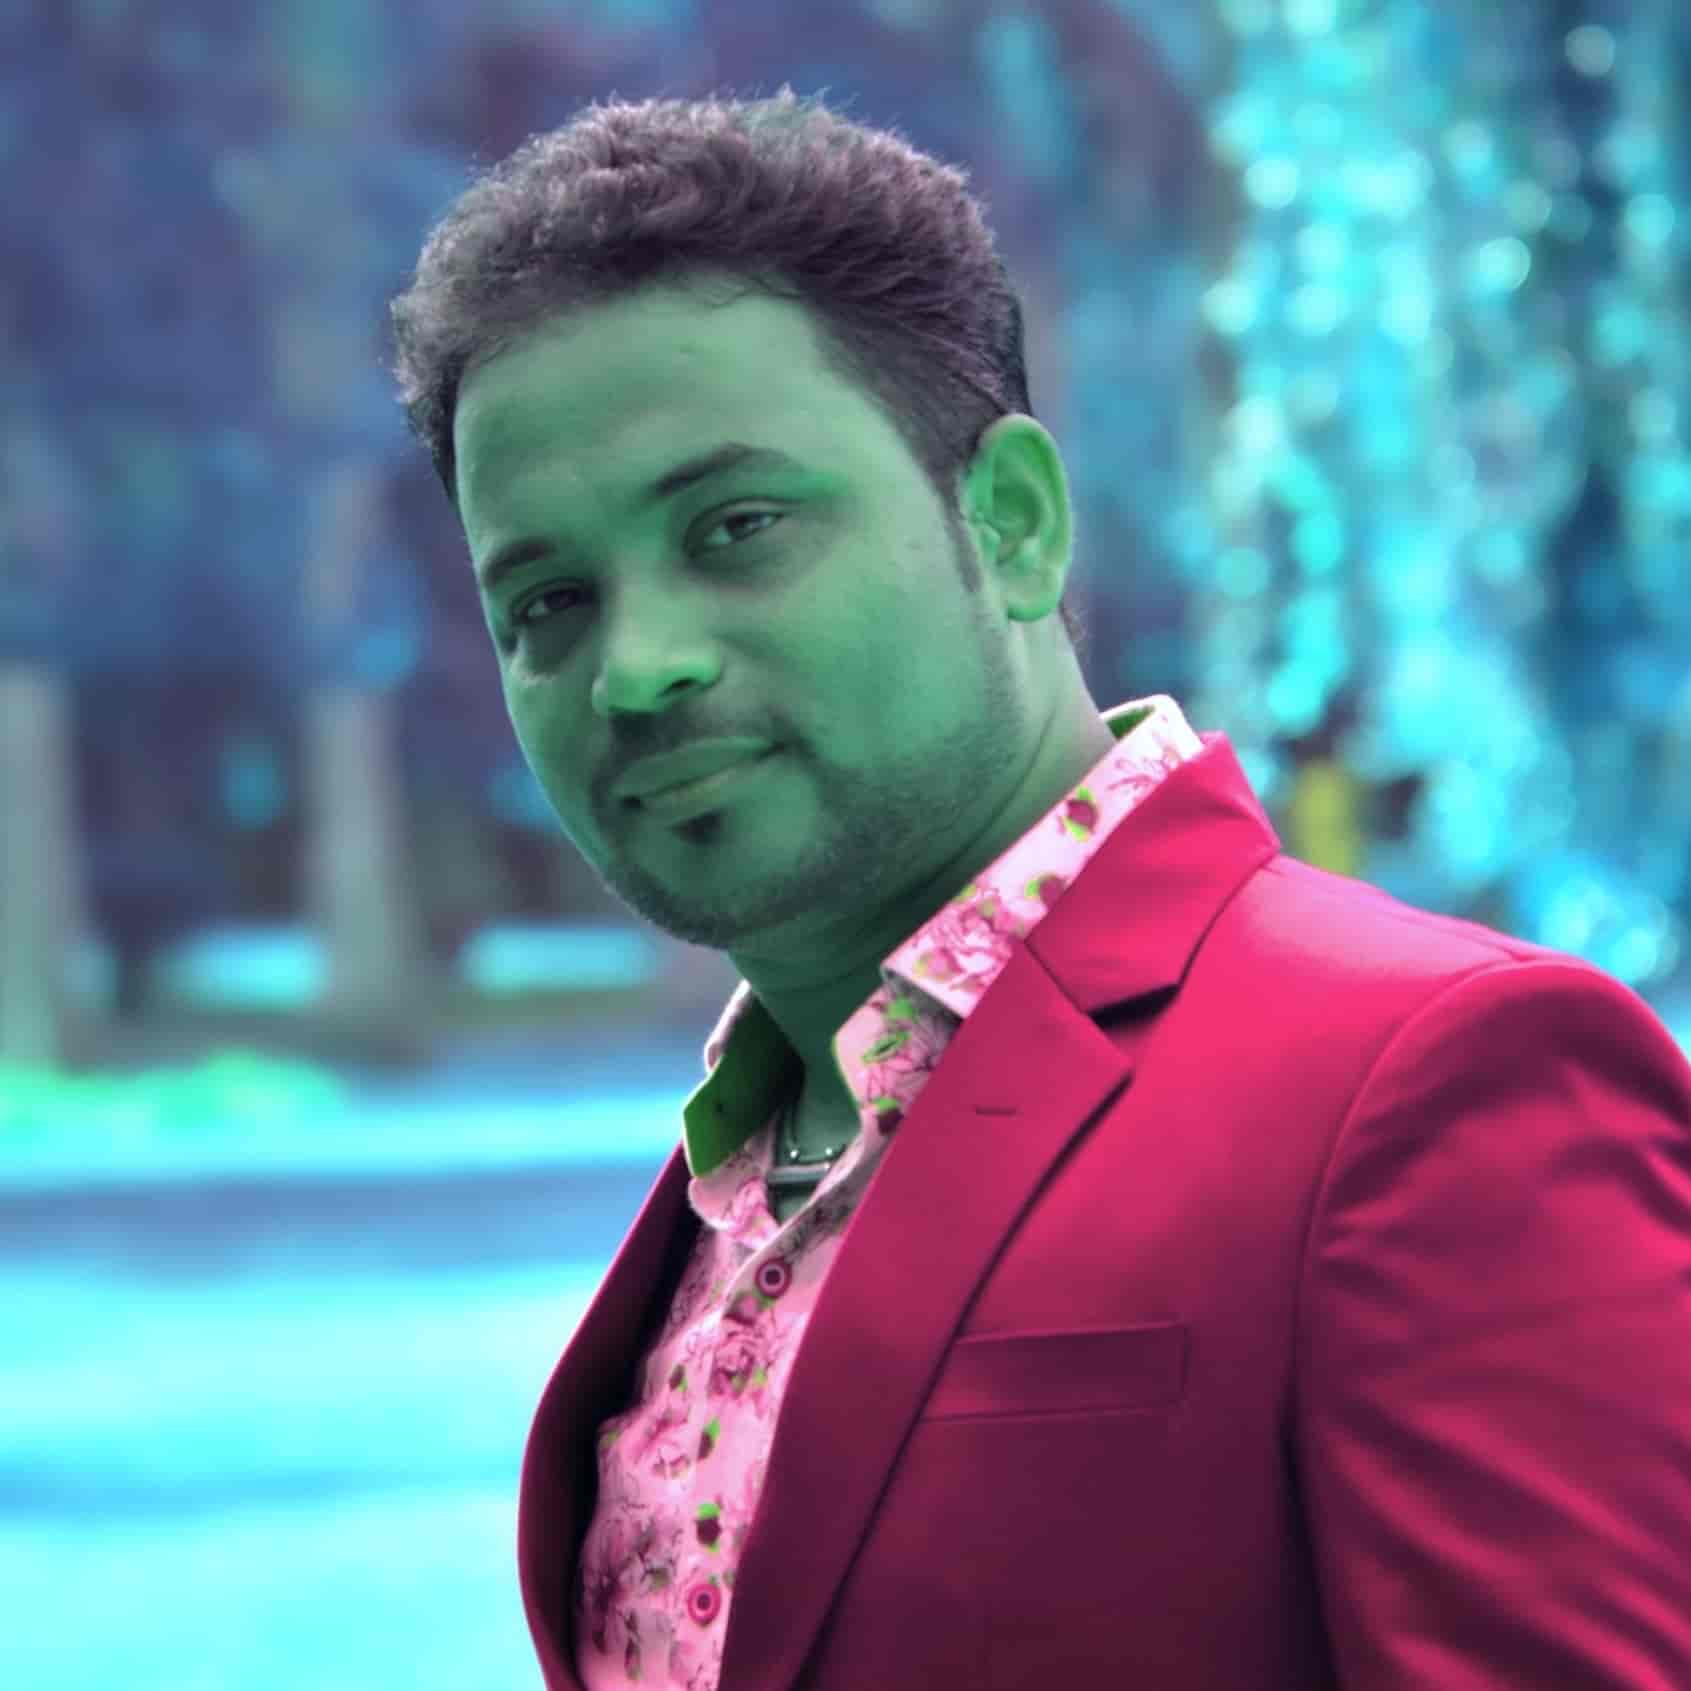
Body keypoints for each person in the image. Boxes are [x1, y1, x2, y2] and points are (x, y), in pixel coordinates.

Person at [388, 88, 1691, 1691]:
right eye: (547, 603)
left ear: (1010, 522)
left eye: (736, 528)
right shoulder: (749, 1163)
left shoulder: (1432, 1081)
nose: (637, 666)